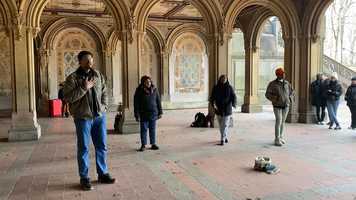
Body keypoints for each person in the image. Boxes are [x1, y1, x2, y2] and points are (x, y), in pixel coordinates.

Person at [63, 51, 115, 191]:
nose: (90, 63)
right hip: (83, 118)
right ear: (79, 62)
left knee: (101, 146)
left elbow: (104, 92)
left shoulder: (97, 75)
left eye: (91, 60)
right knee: (84, 148)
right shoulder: (72, 78)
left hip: (99, 117)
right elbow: (67, 98)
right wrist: (83, 88)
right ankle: (84, 178)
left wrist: (104, 107)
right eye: (86, 60)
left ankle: (103, 173)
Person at [265, 68, 294, 147]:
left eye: (284, 73)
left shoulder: (287, 83)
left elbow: (291, 92)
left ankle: (281, 137)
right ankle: (277, 139)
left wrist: (290, 99)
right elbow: (267, 94)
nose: (284, 75)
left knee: (283, 122)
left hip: (286, 105)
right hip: (277, 106)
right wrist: (275, 99)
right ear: (277, 75)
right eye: (282, 74)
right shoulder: (272, 84)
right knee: (279, 121)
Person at [134, 76, 162, 152]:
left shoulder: (155, 90)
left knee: (152, 129)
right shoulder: (139, 91)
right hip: (143, 114)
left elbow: (158, 101)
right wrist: (137, 115)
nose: (148, 83)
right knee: (143, 130)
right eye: (146, 82)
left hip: (153, 113)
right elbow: (136, 104)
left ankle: (153, 144)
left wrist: (160, 112)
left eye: (149, 82)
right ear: (143, 83)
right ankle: (143, 145)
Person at [209, 75, 237, 146]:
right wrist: (212, 104)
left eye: (225, 79)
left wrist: (234, 104)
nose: (223, 80)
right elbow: (212, 97)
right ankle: (225, 136)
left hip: (227, 109)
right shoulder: (216, 87)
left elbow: (233, 96)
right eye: (222, 78)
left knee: (225, 124)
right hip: (218, 109)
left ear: (227, 80)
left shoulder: (229, 88)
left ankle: (222, 139)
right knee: (221, 125)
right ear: (220, 79)